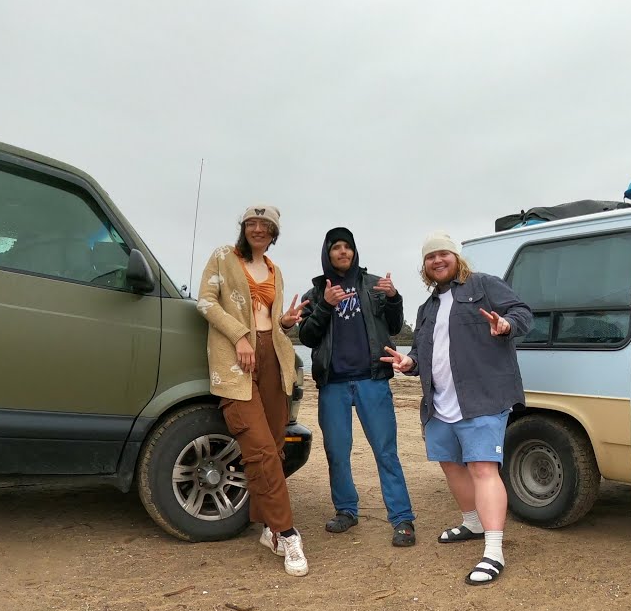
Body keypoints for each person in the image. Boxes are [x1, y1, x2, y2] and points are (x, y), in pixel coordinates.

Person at [382, 231, 532, 585]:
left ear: (456, 257)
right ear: (425, 266)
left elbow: (523, 312)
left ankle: (494, 552)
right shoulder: (427, 308)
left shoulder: (483, 285)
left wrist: (506, 324)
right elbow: (424, 353)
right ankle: (473, 523)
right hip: (439, 403)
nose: (437, 260)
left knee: (483, 468)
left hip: (482, 398)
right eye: (430, 257)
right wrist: (409, 363)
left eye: (443, 254)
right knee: (451, 465)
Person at [196, 205, 311, 577]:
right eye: (252, 223)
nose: (258, 229)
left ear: (274, 232)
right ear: (243, 228)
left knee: (274, 447)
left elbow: (269, 319)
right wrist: (239, 335)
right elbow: (206, 302)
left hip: (274, 357)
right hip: (237, 360)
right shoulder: (223, 257)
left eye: (266, 226)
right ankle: (288, 533)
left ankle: (267, 529)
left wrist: (285, 322)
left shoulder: (275, 270)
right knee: (259, 449)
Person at [298, 227, 417, 546]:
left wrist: (393, 298)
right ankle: (346, 511)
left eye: (347, 247)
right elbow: (307, 337)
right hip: (333, 384)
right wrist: (324, 305)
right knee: (337, 452)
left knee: (386, 452)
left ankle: (402, 518)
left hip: (372, 380)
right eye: (335, 247)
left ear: (354, 251)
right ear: (327, 252)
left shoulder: (373, 285)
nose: (342, 252)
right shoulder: (316, 292)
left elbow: (393, 326)